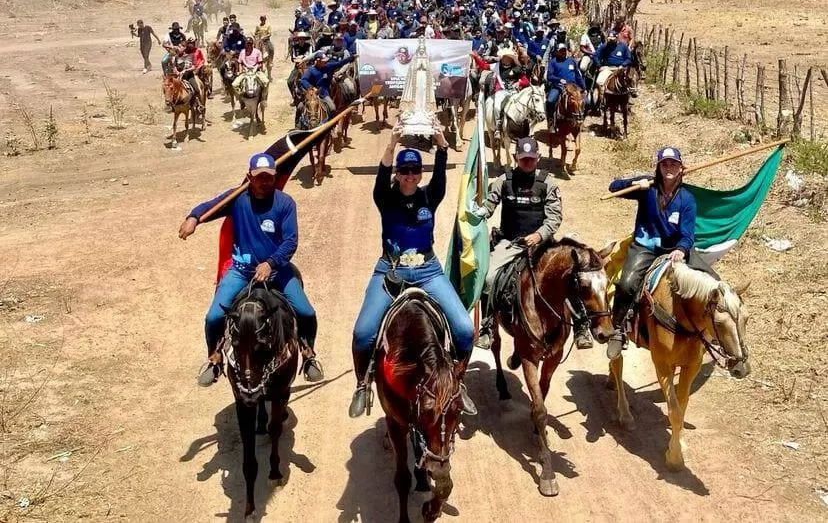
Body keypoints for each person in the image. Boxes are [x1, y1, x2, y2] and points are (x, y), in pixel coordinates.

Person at [348, 126, 476, 418]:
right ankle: (361, 385)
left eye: (415, 171)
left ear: (420, 173)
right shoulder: (386, 197)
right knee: (363, 332)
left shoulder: (430, 197)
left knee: (465, 330)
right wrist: (391, 144)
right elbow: (381, 177)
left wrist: (442, 145)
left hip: (428, 271)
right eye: (404, 170)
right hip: (390, 270)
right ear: (397, 173)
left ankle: (458, 381)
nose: (410, 175)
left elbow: (441, 175)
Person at [179, 152, 324, 387]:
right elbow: (209, 206)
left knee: (306, 312)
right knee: (214, 316)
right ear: (249, 177)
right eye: (260, 177)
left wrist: (271, 263)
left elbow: (290, 241)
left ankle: (308, 354)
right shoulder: (238, 198)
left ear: (274, 177)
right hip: (241, 271)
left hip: (277, 272)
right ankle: (214, 358)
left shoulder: (285, 203)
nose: (265, 182)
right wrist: (193, 218)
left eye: (269, 177)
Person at [471, 138, 592, 349]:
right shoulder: (503, 181)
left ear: (539, 158)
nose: (527, 163)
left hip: (542, 245)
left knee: (570, 275)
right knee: (488, 276)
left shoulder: (548, 184)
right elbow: (489, 204)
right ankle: (488, 327)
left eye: (531, 159)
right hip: (511, 242)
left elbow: (554, 218)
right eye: (523, 159)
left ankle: (582, 327)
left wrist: (539, 235)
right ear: (515, 158)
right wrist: (479, 211)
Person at [605, 146, 720, 360]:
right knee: (627, 283)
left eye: (673, 164)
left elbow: (687, 234)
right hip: (645, 247)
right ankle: (618, 331)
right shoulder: (647, 188)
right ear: (658, 167)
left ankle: (713, 332)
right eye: (664, 164)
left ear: (680, 168)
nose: (669, 168)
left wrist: (681, 248)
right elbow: (613, 187)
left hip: (675, 249)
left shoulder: (687, 199)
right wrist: (633, 184)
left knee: (715, 282)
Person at [545, 43, 585, 129]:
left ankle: (580, 119)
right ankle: (551, 121)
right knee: (550, 101)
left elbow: (578, 75)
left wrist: (583, 87)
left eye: (564, 50)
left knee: (587, 101)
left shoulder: (572, 60)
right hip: (559, 86)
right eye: (561, 51)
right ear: (557, 52)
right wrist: (559, 79)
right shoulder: (553, 61)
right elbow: (549, 76)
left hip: (574, 87)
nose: (563, 52)